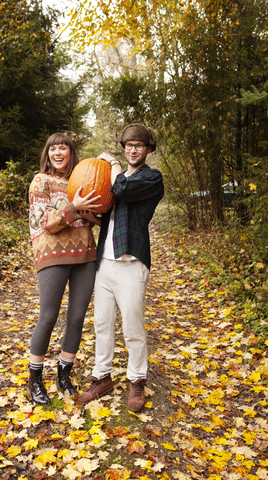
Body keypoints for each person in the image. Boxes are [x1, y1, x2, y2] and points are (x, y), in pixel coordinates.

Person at [78, 123, 164, 412]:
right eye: (128, 145)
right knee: (101, 323)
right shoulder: (113, 178)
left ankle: (137, 380)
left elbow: (122, 189)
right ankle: (102, 377)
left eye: (138, 145)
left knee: (132, 327)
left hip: (132, 263)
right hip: (106, 262)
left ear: (148, 149)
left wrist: (112, 163)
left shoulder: (151, 177)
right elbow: (113, 217)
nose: (132, 149)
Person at [27, 132, 102, 405]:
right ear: (47, 155)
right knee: (48, 316)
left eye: (63, 148)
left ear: (71, 153)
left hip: (85, 255)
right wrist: (75, 207)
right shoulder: (41, 181)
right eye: (53, 149)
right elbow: (45, 221)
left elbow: (94, 218)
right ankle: (34, 379)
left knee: (77, 317)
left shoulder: (81, 181)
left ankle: (64, 374)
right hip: (52, 255)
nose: (58, 153)